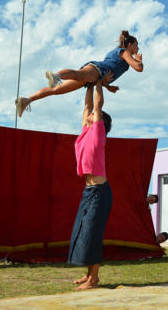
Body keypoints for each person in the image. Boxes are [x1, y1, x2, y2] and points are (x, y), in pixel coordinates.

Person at [15, 30, 143, 117]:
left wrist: (108, 86)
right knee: (77, 74)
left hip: (97, 76)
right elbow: (138, 68)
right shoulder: (124, 52)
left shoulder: (118, 55)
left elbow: (108, 73)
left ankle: (26, 100)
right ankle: (56, 76)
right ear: (130, 45)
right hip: (97, 70)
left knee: (57, 90)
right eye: (136, 45)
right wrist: (138, 60)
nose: (138, 48)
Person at [67, 76, 113, 290]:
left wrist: (98, 83)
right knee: (83, 231)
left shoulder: (97, 134)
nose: (89, 115)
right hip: (89, 192)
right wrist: (86, 84)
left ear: (100, 122)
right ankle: (88, 276)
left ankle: (94, 279)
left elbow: (96, 104)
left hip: (100, 192)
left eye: (94, 116)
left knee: (92, 233)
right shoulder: (84, 133)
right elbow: (87, 106)